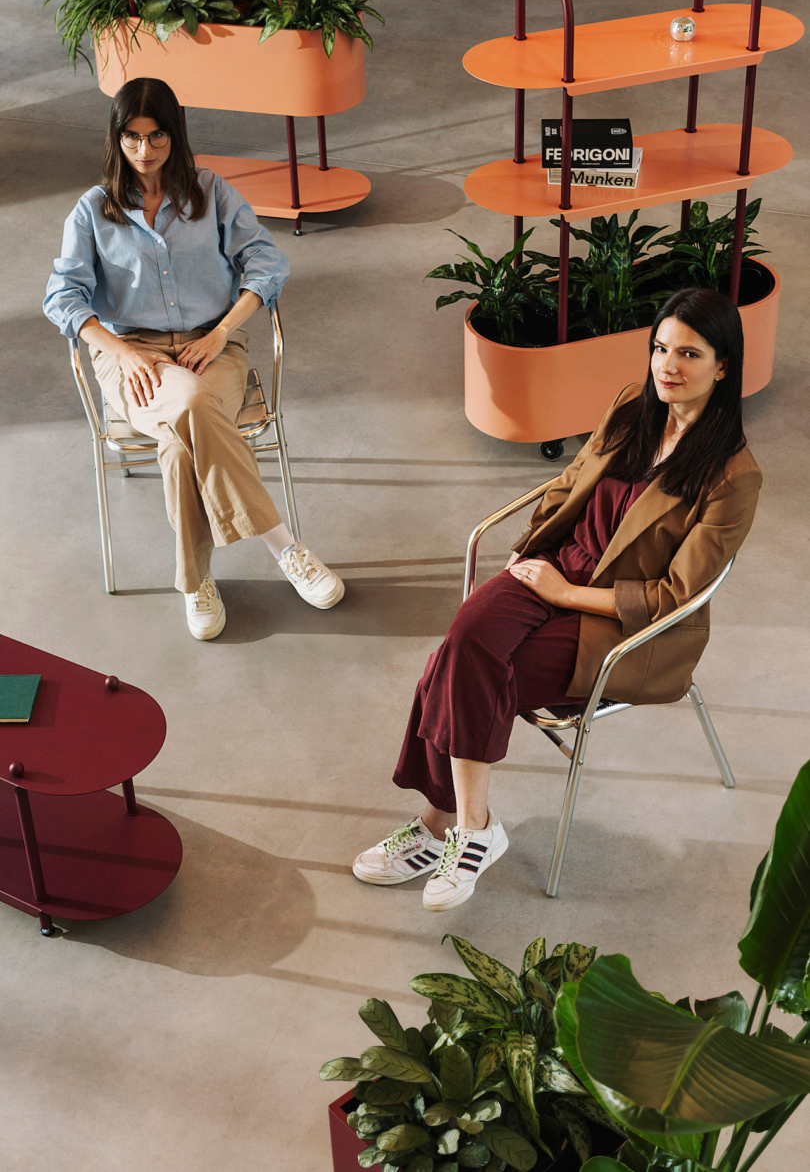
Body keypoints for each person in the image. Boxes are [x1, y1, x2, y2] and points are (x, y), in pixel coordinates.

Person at [353, 288, 762, 912]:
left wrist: (569, 592)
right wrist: (534, 547)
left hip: (620, 624)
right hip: (553, 568)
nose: (666, 366)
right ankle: (471, 830)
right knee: (462, 647)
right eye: (659, 348)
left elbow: (676, 594)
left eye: (689, 353)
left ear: (723, 365)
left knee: (465, 671)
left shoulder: (733, 476)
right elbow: (570, 483)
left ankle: (448, 829)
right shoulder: (633, 405)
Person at [44, 77, 344, 640]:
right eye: (131, 137)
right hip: (131, 355)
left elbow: (267, 264)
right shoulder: (93, 210)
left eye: (156, 135)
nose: (144, 150)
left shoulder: (212, 192)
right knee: (191, 403)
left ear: (174, 134)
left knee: (181, 439)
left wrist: (221, 332)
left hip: (214, 346)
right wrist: (120, 351)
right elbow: (63, 297)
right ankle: (285, 547)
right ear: (117, 139)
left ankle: (194, 582)